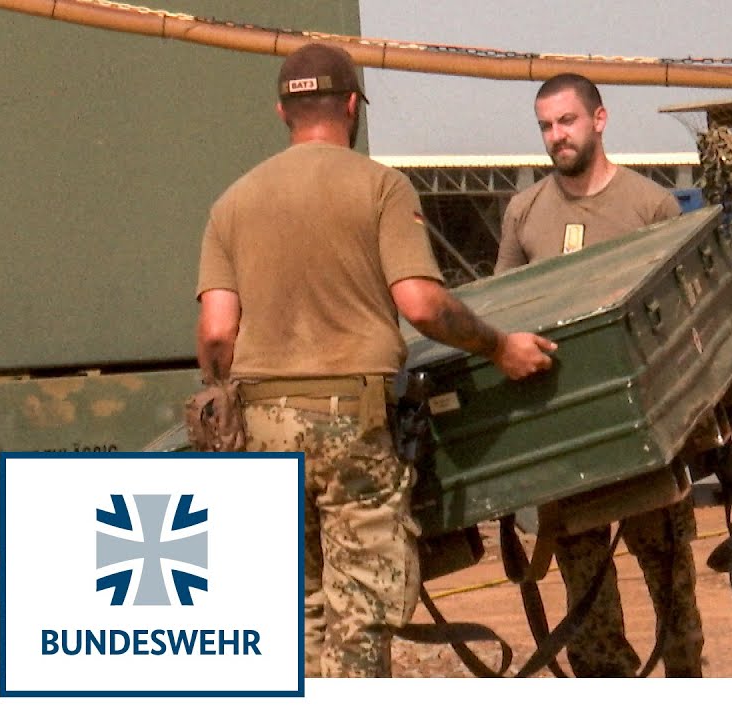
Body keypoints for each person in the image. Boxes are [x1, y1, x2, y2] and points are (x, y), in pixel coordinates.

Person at [194, 43, 556, 678]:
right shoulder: (380, 186)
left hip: (257, 429)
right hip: (350, 423)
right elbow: (420, 304)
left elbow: (218, 331)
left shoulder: (232, 202)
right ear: (353, 106)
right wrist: (500, 346)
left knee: (296, 609)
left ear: (283, 111)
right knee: (359, 612)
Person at [495, 73, 703, 677]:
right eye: (546, 126)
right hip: (567, 445)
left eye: (567, 121)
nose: (556, 136)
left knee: (673, 593)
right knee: (587, 609)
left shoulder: (650, 206)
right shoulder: (523, 212)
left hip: (645, 438)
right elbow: (498, 316)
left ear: (599, 119)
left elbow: (682, 319)